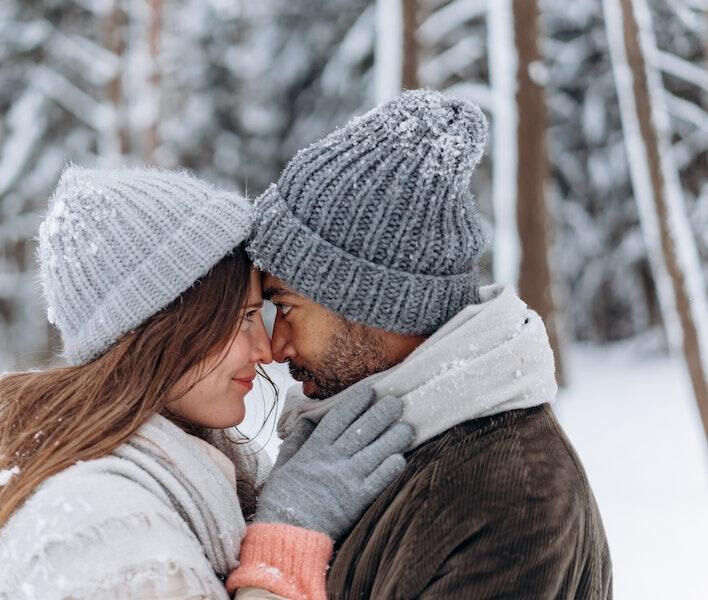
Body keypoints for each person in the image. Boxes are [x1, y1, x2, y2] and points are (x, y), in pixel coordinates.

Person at [0, 166, 414, 600]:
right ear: (164, 329)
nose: (265, 350)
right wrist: (287, 538)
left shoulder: (183, 473)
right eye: (244, 317)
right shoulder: (105, 533)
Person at [242, 90, 613, 599]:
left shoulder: (505, 498)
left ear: (371, 300)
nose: (274, 346)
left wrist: (285, 542)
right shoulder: (379, 450)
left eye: (284, 306)